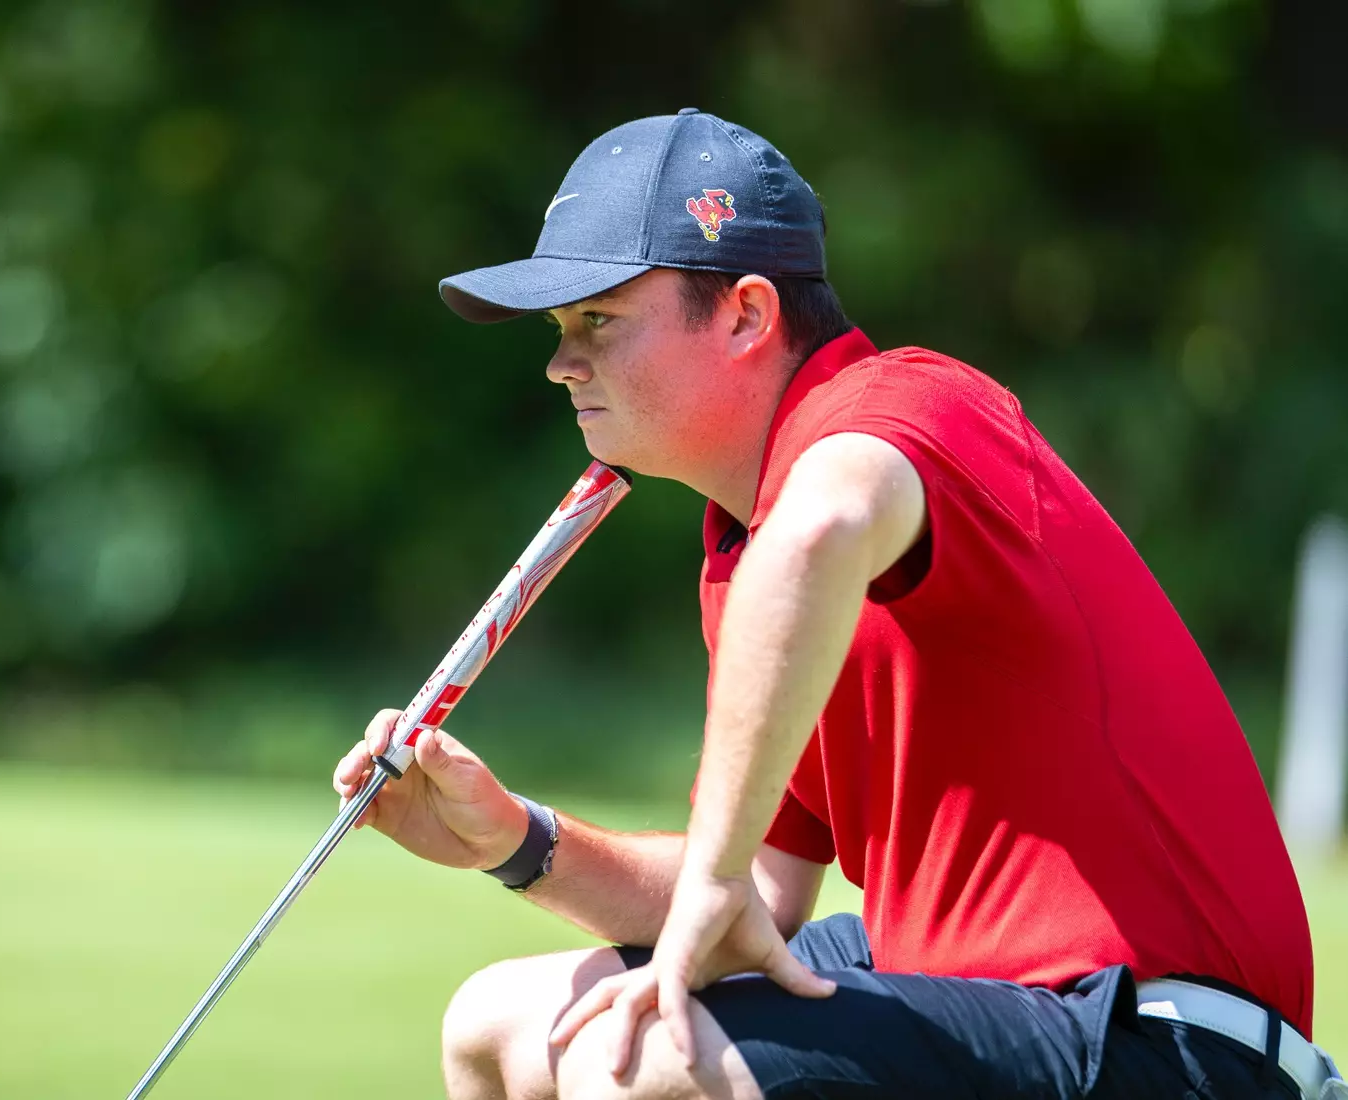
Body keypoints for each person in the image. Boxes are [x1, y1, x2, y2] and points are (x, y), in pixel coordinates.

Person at [331, 110, 1337, 1100]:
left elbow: (827, 526)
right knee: (501, 1022)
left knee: (641, 1066)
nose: (561, 362)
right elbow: (759, 895)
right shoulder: (744, 554)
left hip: (1173, 1044)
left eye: (598, 319)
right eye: (559, 331)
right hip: (1002, 1007)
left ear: (747, 315)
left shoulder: (904, 407)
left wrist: (716, 874)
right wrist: (514, 839)